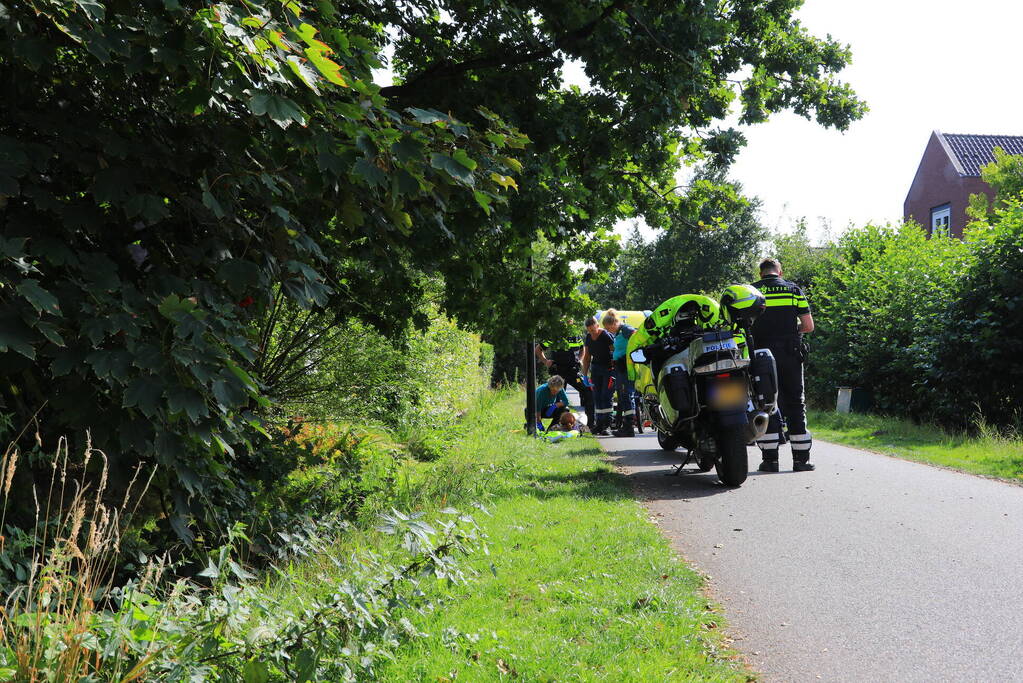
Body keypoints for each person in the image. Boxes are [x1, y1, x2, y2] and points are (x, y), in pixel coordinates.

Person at [751, 258, 816, 472]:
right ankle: (801, 461)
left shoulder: (752, 292)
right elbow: (808, 326)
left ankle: (770, 461)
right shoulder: (793, 290)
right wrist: (791, 331)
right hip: (790, 353)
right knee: (796, 402)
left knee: (766, 403)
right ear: (779, 272)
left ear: (761, 274)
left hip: (761, 356)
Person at [535, 332, 594, 429]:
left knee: (588, 391)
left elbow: (582, 348)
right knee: (559, 402)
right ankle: (555, 427)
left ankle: (591, 424)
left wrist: (580, 359)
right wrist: (545, 361)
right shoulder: (554, 336)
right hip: (558, 373)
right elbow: (538, 349)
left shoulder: (576, 335)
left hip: (573, 371)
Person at [602, 309, 638, 437]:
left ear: (613, 324)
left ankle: (629, 427)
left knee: (627, 395)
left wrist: (627, 356)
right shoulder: (618, 333)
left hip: (625, 368)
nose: (608, 330)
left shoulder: (625, 329)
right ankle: (626, 425)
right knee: (623, 397)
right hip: (619, 368)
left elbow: (637, 337)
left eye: (608, 328)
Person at [580, 316, 615, 435]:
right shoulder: (589, 338)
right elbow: (587, 357)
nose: (592, 333)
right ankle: (599, 425)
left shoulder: (605, 335)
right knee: (597, 397)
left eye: (593, 330)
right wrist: (584, 375)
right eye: (589, 331)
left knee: (606, 396)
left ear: (597, 326)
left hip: (608, 369)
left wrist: (614, 368)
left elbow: (614, 351)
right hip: (596, 369)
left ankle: (607, 425)